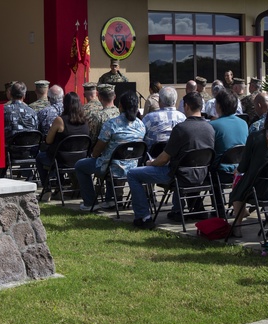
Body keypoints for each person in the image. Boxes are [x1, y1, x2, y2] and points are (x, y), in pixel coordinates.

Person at [125, 91, 215, 227]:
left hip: (177, 176)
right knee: (182, 165)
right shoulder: (210, 128)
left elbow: (164, 159)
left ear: (186, 107)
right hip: (202, 175)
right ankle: (178, 209)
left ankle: (143, 217)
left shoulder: (181, 129)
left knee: (132, 174)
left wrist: (151, 163)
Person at [74, 92, 146, 211]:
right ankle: (111, 200)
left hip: (111, 167)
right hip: (133, 167)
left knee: (80, 165)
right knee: (111, 159)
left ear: (120, 106)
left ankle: (90, 202)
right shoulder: (141, 125)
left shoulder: (112, 124)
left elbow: (98, 149)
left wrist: (93, 155)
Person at [36, 91, 91, 201]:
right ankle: (59, 189)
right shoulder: (86, 121)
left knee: (40, 157)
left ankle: (47, 190)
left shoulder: (60, 120)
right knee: (55, 155)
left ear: (65, 104)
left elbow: (48, 140)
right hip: (81, 158)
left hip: (61, 159)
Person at [211, 90, 248, 183]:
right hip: (240, 169)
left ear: (219, 106)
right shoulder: (244, 123)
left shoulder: (213, 125)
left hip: (219, 172)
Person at [142, 86, 185, 151]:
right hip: (175, 157)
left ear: (159, 101)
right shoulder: (183, 118)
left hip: (152, 157)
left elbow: (140, 136)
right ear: (175, 101)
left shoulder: (149, 118)